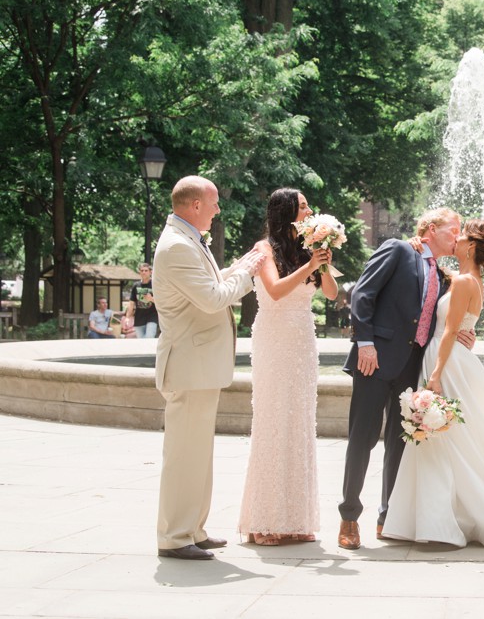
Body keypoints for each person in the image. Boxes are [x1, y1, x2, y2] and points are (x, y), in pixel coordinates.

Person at [383, 219, 484, 547]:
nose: (456, 237)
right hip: (449, 358)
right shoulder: (462, 279)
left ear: (471, 246)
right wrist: (418, 244)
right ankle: (439, 517)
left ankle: (445, 521)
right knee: (449, 438)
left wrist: (435, 375)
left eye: (462, 234)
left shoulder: (467, 281)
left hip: (447, 361)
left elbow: (452, 330)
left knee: (446, 439)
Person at [339, 207, 474, 550]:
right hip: (375, 360)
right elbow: (362, 295)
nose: (457, 237)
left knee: (400, 444)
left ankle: (388, 517)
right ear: (430, 229)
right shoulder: (399, 250)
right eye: (452, 230)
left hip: (412, 366)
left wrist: (462, 334)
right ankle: (349, 517)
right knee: (362, 439)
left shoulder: (444, 276)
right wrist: (365, 343)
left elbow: (441, 319)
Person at [153, 175, 263, 561]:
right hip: (188, 364)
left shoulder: (186, 241)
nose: (218, 211)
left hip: (198, 364)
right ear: (196, 205)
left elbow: (212, 281)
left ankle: (193, 529)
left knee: (197, 453)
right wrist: (249, 276)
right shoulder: (177, 247)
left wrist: (241, 264)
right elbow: (213, 299)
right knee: (184, 454)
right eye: (214, 204)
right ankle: (174, 536)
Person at [238, 188, 337, 546]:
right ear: (287, 212)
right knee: (274, 422)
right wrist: (309, 266)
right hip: (274, 340)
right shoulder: (264, 249)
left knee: (299, 424)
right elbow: (275, 291)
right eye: (304, 205)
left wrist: (320, 260)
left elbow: (331, 294)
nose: (310, 209)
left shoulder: (306, 250)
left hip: (302, 341)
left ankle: (295, 520)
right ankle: (263, 521)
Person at [126, 263, 159, 338]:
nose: (144, 272)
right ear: (139, 272)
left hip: (152, 317)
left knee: (149, 337)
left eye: (146, 270)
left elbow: (161, 302)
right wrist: (128, 317)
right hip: (139, 318)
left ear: (150, 272)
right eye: (142, 270)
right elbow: (131, 303)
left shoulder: (155, 285)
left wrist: (151, 299)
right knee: (141, 342)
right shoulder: (136, 285)